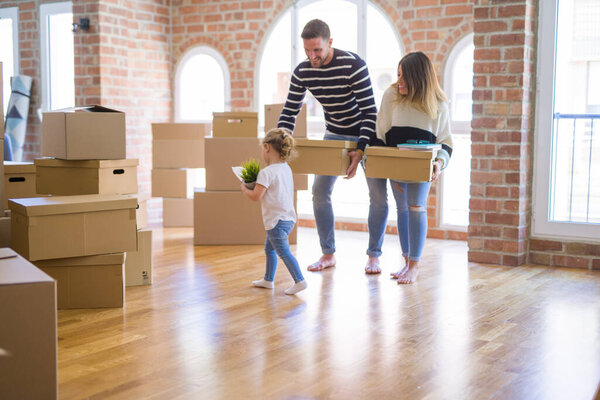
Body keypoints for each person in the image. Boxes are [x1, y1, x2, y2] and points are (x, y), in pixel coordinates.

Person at [278, 19, 388, 274]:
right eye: (307, 51)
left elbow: (370, 112)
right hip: (335, 132)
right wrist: (279, 142)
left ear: (330, 43)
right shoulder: (302, 71)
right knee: (319, 191)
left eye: (317, 50)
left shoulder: (353, 65)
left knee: (379, 197)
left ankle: (374, 256)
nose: (312, 56)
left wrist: (360, 150)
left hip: (368, 133)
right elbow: (290, 111)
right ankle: (328, 254)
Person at [374, 51, 453, 284]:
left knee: (416, 206)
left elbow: (446, 143)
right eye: (398, 75)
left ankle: (415, 266)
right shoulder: (391, 95)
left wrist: (439, 163)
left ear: (419, 78)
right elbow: (381, 132)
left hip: (423, 166)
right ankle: (406, 261)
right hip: (396, 163)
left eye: (404, 77)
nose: (399, 81)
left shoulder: (438, 104)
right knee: (403, 209)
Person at [240, 128, 307, 295]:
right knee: (269, 249)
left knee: (283, 252)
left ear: (267, 147)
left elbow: (256, 196)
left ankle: (300, 280)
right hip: (288, 218)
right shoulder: (285, 168)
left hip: (275, 222)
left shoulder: (266, 172)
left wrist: (244, 188)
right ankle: (268, 280)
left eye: (263, 148)